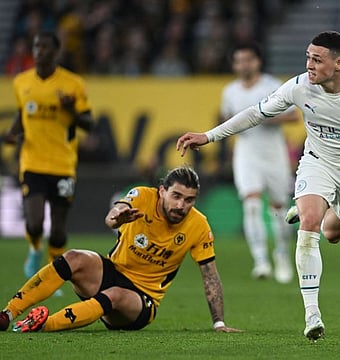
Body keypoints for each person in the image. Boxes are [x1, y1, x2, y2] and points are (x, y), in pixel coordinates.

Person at [176, 31, 340, 341]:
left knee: (331, 234)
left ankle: (304, 209)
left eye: (317, 59)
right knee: (310, 224)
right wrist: (209, 136)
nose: (309, 65)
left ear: (339, 63)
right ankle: (312, 314)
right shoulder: (299, 87)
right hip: (318, 163)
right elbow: (255, 114)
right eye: (307, 57)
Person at [0, 165, 241, 333]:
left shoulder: (199, 226)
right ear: (162, 191)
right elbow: (113, 215)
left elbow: (210, 276)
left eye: (189, 200)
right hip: (111, 272)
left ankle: (43, 325)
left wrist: (219, 323)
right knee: (73, 257)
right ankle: (8, 314)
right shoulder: (141, 196)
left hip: (141, 301)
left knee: (115, 294)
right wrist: (117, 218)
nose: (181, 205)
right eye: (176, 196)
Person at [3, 31, 94, 282]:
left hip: (63, 164)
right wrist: (13, 133)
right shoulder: (22, 81)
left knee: (57, 229)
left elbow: (88, 123)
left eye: (44, 47)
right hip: (32, 162)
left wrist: (70, 110)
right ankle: (34, 250)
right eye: (36, 47)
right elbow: (23, 112)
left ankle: (54, 274)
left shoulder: (73, 83)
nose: (39, 51)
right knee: (34, 223)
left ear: (56, 52)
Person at [220, 43, 299, 283]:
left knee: (279, 209)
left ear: (257, 62)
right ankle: (261, 261)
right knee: (251, 204)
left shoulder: (272, 86)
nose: (244, 65)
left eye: (248, 59)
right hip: (247, 154)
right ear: (234, 65)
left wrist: (265, 118)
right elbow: (226, 118)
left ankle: (282, 256)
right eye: (239, 60)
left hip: (274, 154)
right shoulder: (230, 91)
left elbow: (295, 115)